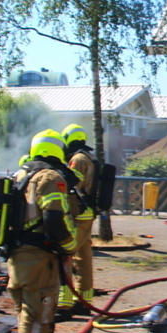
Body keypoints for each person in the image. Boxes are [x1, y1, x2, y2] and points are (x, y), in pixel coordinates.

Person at [8, 129, 78, 333]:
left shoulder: (21, 175)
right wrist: (70, 246)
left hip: (20, 255)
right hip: (39, 258)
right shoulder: (50, 177)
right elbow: (53, 221)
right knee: (35, 315)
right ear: (59, 151)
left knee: (38, 312)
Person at [58, 124, 98, 316]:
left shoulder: (77, 159)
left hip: (78, 214)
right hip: (87, 213)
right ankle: (84, 300)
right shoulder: (87, 157)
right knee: (83, 258)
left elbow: (72, 185)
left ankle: (65, 302)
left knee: (66, 253)